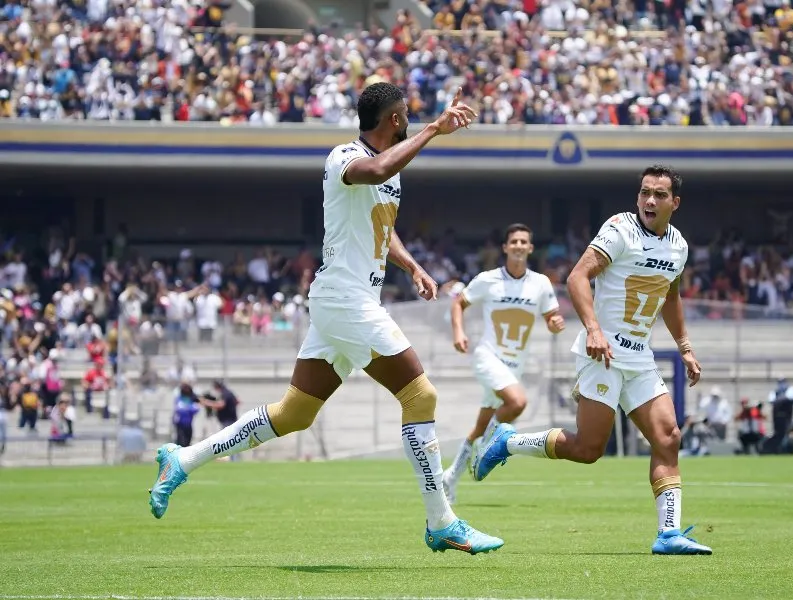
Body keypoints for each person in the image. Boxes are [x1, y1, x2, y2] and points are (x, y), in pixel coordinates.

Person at [148, 83, 503, 555]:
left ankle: (183, 458)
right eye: (407, 115)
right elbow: (376, 169)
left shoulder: (388, 172)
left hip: (346, 302)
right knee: (421, 395)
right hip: (345, 299)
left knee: (294, 412)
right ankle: (441, 521)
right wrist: (437, 129)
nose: (413, 120)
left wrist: (413, 266)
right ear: (394, 119)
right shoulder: (344, 157)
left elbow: (382, 227)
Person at [471, 164, 712, 555]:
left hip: (639, 358)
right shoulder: (620, 229)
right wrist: (595, 330)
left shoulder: (678, 246)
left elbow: (670, 296)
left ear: (675, 202)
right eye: (644, 192)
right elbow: (578, 277)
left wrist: (684, 346)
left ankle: (668, 534)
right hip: (601, 353)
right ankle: (509, 441)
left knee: (668, 437)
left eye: (660, 195)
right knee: (588, 449)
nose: (650, 200)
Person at [442, 223, 565, 504]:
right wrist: (458, 332)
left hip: (515, 365)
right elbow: (459, 303)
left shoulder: (541, 283)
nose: (519, 246)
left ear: (530, 248)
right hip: (488, 357)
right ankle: (488, 449)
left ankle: (449, 477)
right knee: (518, 402)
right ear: (505, 248)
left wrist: (556, 325)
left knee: (481, 425)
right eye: (514, 241)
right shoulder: (488, 279)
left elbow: (552, 318)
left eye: (524, 241)